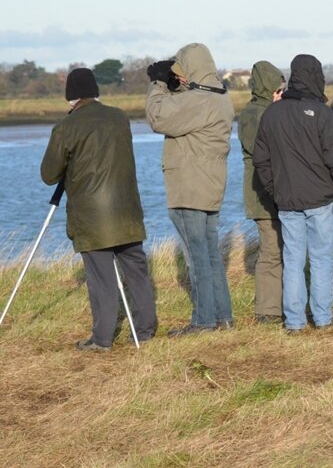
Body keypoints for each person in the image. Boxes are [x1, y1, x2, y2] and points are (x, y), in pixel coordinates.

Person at [40, 68, 158, 351]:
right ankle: (144, 330)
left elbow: (48, 174)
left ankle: (102, 339)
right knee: (137, 272)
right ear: (95, 91)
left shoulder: (66, 127)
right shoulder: (119, 117)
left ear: (71, 97)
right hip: (127, 211)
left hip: (93, 217)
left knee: (101, 278)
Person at [253, 54, 333, 333]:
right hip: (321, 200)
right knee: (322, 258)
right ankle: (322, 319)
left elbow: (260, 160)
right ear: (316, 76)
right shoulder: (323, 113)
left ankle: (295, 322)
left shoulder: (271, 113)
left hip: (287, 200)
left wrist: (275, 190)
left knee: (293, 260)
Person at [145, 43, 235, 336]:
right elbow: (188, 109)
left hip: (189, 187)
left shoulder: (198, 101)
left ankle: (203, 322)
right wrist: (177, 86)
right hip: (209, 186)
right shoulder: (219, 97)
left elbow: (158, 117)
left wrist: (158, 83)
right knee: (210, 255)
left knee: (197, 258)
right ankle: (223, 317)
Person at [238, 60, 285, 324]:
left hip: (269, 191)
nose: (281, 92)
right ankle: (268, 310)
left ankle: (278, 305)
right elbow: (265, 154)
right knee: (271, 251)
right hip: (263, 194)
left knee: (279, 249)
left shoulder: (256, 111)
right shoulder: (256, 115)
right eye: (278, 87)